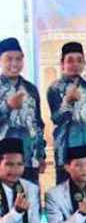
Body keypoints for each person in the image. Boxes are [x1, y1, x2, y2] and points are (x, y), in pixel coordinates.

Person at [47, 42, 86, 184]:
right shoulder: (55, 88)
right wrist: (67, 102)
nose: (75, 64)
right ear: (62, 64)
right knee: (66, 192)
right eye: (70, 60)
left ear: (84, 63)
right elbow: (56, 119)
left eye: (79, 60)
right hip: (67, 151)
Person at [0, 37, 46, 183]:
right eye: (9, 59)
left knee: (30, 196)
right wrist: (7, 106)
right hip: (3, 162)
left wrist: (40, 155)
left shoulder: (30, 89)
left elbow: (37, 123)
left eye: (18, 59)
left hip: (29, 160)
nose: (14, 63)